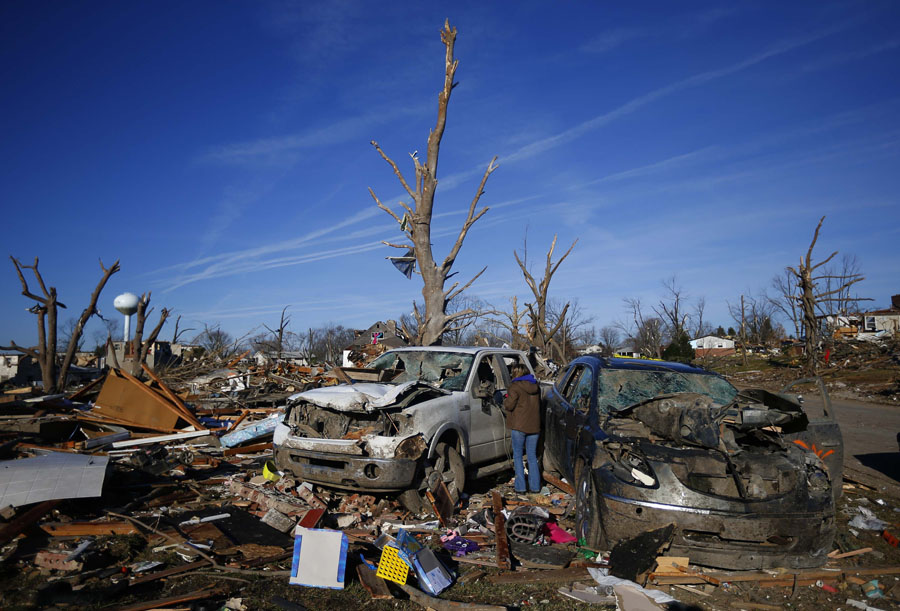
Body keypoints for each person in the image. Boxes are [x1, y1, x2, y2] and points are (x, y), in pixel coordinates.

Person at [504, 363, 542, 494]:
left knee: (518, 456)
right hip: (535, 426)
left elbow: (509, 406)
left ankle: (520, 487)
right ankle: (535, 487)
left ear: (515, 373)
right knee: (532, 456)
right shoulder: (536, 386)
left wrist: (504, 399)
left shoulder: (514, 387)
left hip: (519, 426)